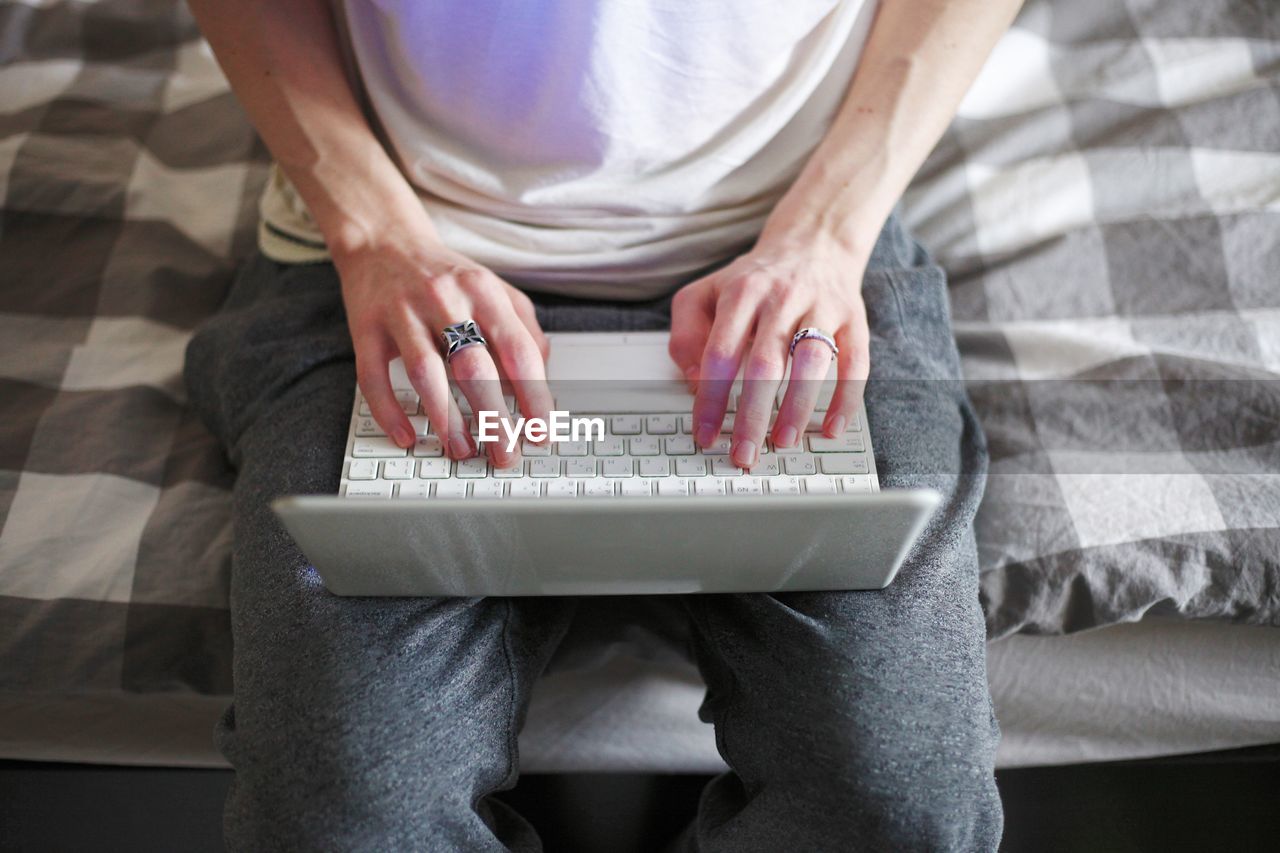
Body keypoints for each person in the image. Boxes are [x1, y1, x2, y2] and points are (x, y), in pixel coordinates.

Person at [184, 0, 1023, 849]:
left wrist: (827, 236)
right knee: (345, 820)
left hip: (800, 238)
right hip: (387, 247)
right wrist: (373, 236)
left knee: (897, 799)